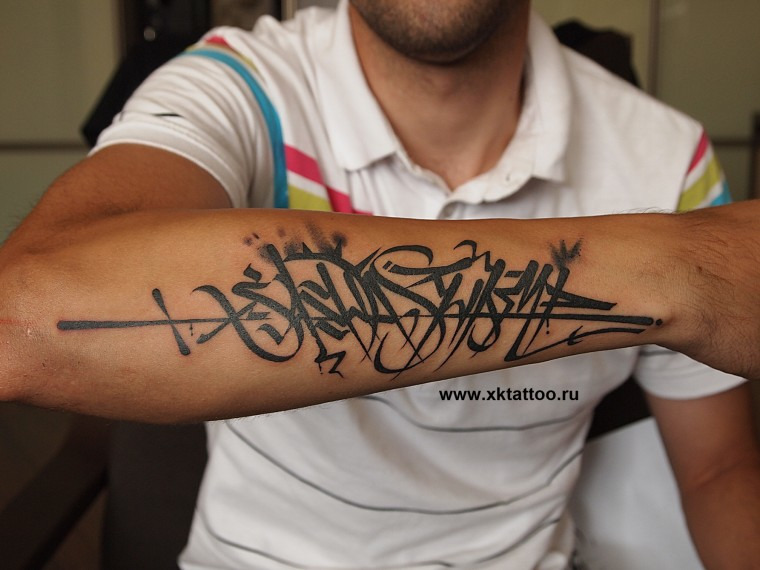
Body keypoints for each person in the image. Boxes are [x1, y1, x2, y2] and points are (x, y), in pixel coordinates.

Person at [1, 0, 759, 568]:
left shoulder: (667, 160)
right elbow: (26, 318)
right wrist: (672, 271)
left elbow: (718, 468)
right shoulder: (242, 89)